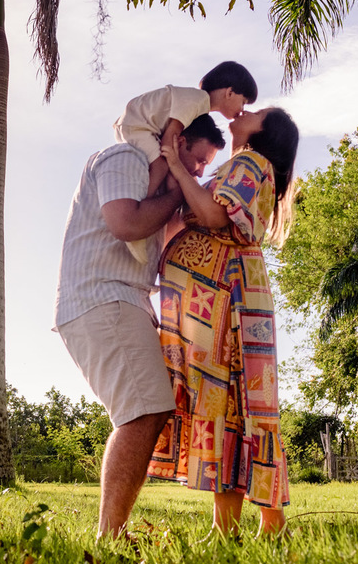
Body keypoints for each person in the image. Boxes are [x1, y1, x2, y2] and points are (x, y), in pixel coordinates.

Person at [55, 114, 227, 537]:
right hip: (104, 297)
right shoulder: (125, 157)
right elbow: (126, 223)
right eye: (200, 159)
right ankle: (110, 534)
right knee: (143, 411)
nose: (202, 170)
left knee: (146, 410)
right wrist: (173, 193)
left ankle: (113, 530)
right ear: (180, 142)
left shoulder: (154, 179)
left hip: (119, 301)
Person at [147, 106, 299, 538]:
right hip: (222, 302)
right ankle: (252, 525)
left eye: (256, 112)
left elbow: (216, 217)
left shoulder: (251, 162)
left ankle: (256, 525)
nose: (244, 111)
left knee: (231, 406)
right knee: (233, 409)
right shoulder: (242, 165)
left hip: (226, 302)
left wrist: (176, 162)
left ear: (264, 130)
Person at [113, 62, 258, 264]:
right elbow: (172, 133)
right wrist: (171, 162)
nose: (242, 111)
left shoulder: (199, 109)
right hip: (138, 126)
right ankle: (142, 208)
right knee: (162, 163)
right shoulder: (197, 100)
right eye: (243, 102)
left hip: (137, 124)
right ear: (230, 92)